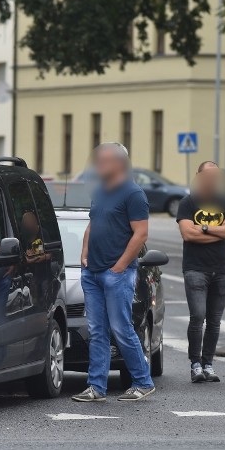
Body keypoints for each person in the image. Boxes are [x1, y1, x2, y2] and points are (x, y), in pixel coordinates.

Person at [72, 143, 155, 402]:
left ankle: (143, 381)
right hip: (93, 272)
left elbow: (141, 233)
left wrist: (120, 266)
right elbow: (92, 223)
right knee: (97, 331)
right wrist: (84, 252)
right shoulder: (101, 191)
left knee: (121, 330)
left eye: (103, 161)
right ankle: (96, 387)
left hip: (116, 274)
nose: (97, 165)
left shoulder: (133, 193)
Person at [176, 161, 225, 383]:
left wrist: (204, 228)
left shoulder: (224, 201)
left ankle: (208, 364)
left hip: (221, 269)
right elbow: (188, 235)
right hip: (195, 268)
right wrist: (221, 232)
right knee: (198, 317)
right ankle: (195, 364)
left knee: (214, 321)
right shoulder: (188, 203)